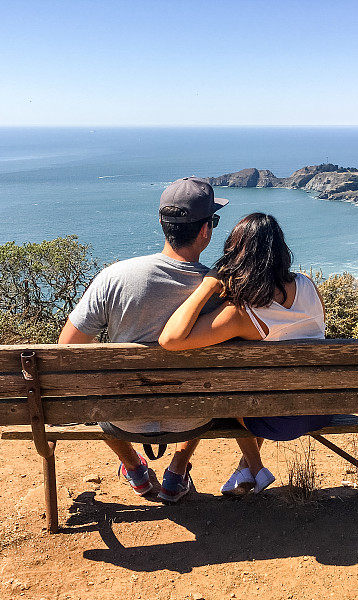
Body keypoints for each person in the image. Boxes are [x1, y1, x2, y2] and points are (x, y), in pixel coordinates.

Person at [58, 177, 229, 503]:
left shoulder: (115, 277)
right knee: (207, 387)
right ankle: (177, 470)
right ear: (206, 230)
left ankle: (134, 469)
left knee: (102, 394)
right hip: (193, 415)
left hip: (123, 417)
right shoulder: (219, 289)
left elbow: (67, 350)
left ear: (163, 224)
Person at [159, 213, 332, 495]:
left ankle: (250, 468)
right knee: (259, 389)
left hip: (280, 422)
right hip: (323, 409)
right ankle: (248, 470)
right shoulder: (309, 285)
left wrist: (208, 285)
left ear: (236, 255)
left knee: (226, 391)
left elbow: (170, 339)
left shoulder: (242, 312)